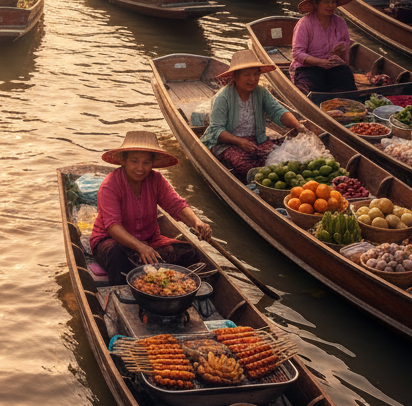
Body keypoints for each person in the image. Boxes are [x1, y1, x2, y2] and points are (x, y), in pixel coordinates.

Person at [89, 132, 212, 284]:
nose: (140, 168)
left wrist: (197, 222)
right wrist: (140, 247)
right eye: (134, 161)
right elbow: (113, 227)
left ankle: (148, 272)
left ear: (152, 163)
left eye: (146, 163)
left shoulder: (156, 180)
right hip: (112, 242)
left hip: (149, 241)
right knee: (117, 257)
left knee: (190, 253)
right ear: (124, 161)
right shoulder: (111, 185)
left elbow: (176, 205)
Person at [203, 50, 303, 178]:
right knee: (244, 165)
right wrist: (240, 142)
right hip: (228, 143)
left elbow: (278, 111)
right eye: (247, 75)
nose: (253, 79)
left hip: (257, 140)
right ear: (235, 76)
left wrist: (297, 125)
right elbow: (216, 130)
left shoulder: (261, 92)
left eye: (256, 74)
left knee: (288, 152)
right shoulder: (223, 98)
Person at [290, 0, 357, 93]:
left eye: (333, 2)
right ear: (316, 3)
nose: (331, 6)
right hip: (308, 68)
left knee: (346, 86)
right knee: (312, 91)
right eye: (326, 2)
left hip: (332, 65)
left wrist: (345, 65)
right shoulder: (305, 23)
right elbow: (297, 53)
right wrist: (320, 62)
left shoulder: (340, 22)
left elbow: (346, 49)